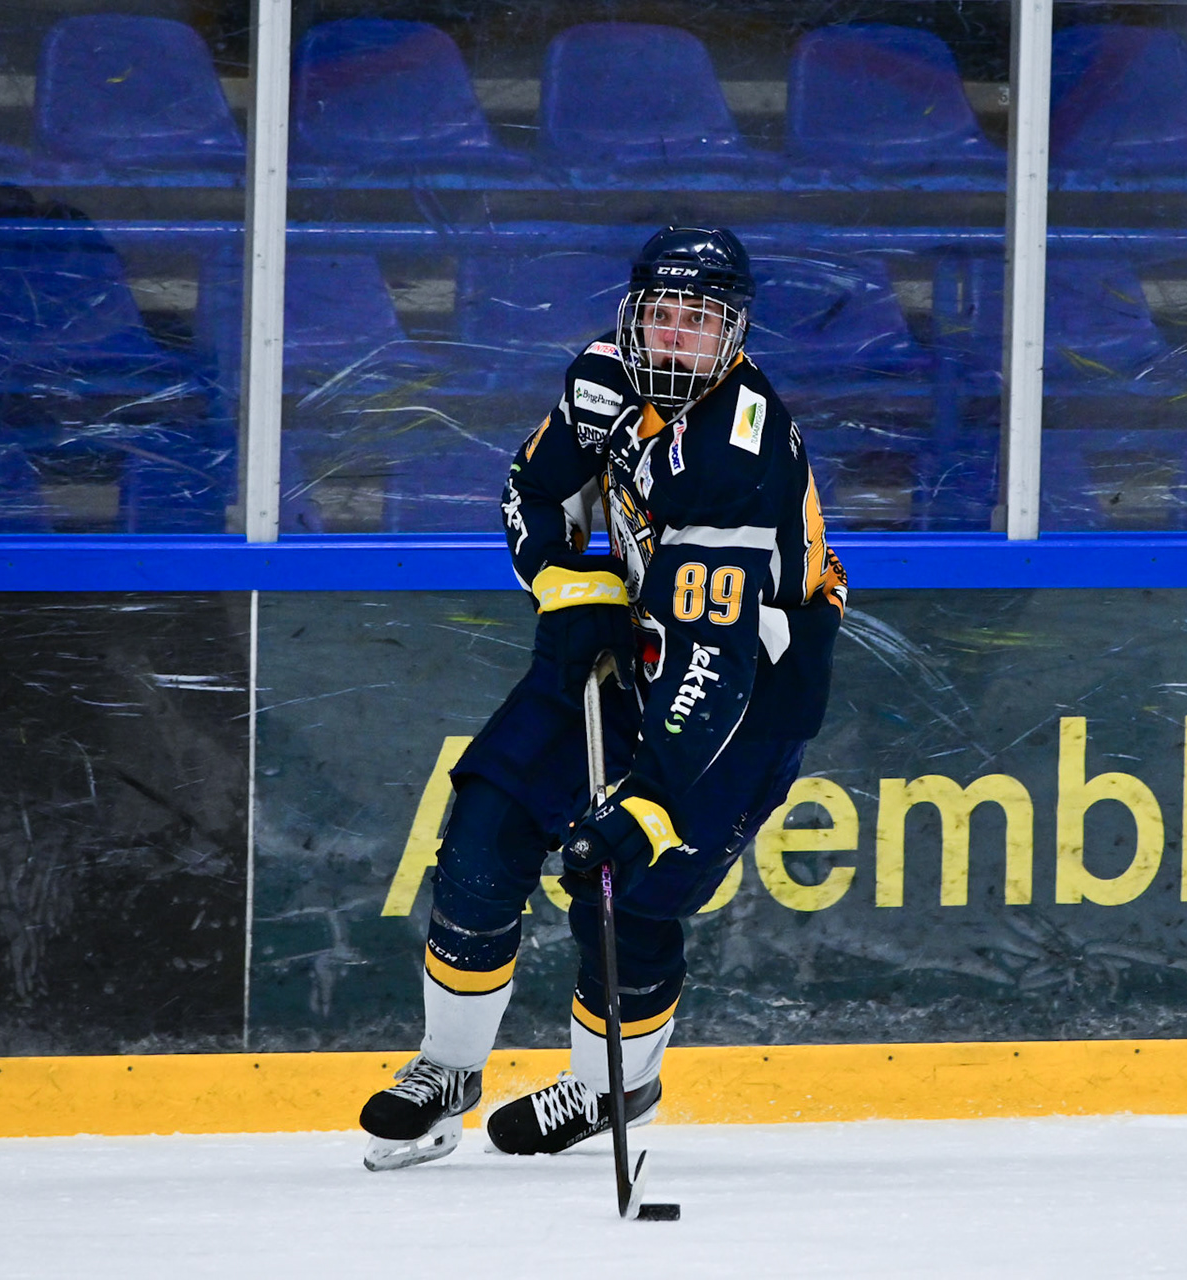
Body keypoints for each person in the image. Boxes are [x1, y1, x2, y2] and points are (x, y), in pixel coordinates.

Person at [359, 226, 846, 1171]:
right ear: (632, 316)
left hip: (744, 697)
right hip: (632, 645)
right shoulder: (600, 376)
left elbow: (714, 661)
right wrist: (565, 582)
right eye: (662, 316)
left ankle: (611, 1087)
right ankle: (447, 1069)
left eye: (699, 323)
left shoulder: (737, 457)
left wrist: (653, 801)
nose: (676, 340)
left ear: (734, 333)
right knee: (485, 829)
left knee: (624, 896)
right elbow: (534, 490)